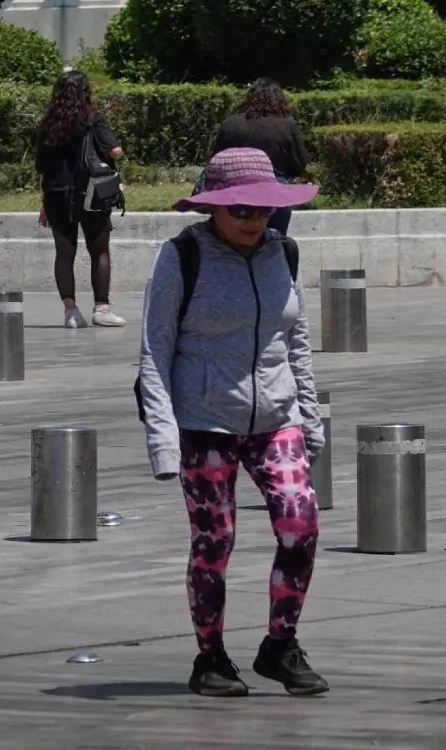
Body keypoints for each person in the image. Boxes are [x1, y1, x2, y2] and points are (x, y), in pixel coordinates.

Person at [137, 147, 328, 699]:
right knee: (214, 540)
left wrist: (308, 422)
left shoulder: (283, 254)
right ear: (213, 207)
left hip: (276, 416)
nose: (252, 220)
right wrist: (164, 440)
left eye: (263, 209)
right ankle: (212, 656)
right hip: (204, 421)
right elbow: (155, 348)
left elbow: (296, 342)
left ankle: (280, 645)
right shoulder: (181, 257)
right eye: (240, 209)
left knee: (301, 523)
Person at [34, 70, 126, 329]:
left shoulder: (48, 124)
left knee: (64, 253)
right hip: (92, 192)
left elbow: (43, 167)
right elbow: (115, 151)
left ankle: (71, 312)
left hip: (56, 194)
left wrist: (44, 202)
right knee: (99, 251)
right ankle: (102, 308)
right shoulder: (94, 118)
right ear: (85, 91)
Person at [208, 77, 310, 236]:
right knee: (276, 243)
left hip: (234, 191)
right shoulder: (286, 124)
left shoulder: (231, 123)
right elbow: (299, 163)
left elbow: (215, 160)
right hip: (273, 189)